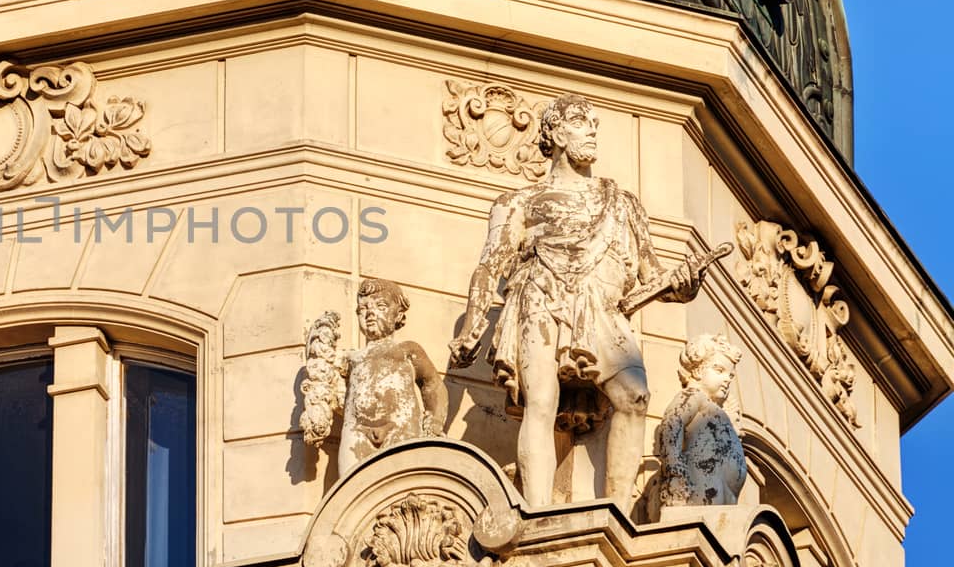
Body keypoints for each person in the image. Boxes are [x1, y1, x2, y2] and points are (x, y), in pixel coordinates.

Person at [448, 94, 703, 509]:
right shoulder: (519, 202)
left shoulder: (622, 204)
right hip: (540, 301)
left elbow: (654, 278)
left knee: (634, 396)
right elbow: (489, 266)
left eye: (594, 125)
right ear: (556, 133)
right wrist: (472, 327)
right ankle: (536, 509)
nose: (593, 133)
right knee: (541, 404)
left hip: (601, 311)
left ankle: (617, 512)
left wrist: (685, 284)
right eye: (583, 124)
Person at [299, 278, 445, 480]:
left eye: (380, 306)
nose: (370, 313)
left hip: (399, 428)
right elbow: (323, 373)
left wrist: (435, 421)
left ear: (398, 315)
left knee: (404, 484)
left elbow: (433, 385)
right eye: (363, 308)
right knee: (351, 488)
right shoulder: (350, 359)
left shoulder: (407, 350)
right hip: (357, 432)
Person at [655, 335, 746, 509]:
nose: (727, 379)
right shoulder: (694, 396)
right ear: (697, 371)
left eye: (730, 375)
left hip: (726, 496)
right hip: (701, 486)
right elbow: (672, 422)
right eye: (719, 370)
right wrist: (674, 467)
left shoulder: (716, 409)